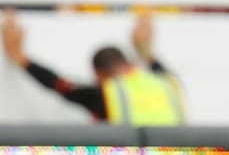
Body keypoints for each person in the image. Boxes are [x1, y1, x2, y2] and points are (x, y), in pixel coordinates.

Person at [1, 9, 185, 124]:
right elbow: (154, 63)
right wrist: (143, 48)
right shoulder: (167, 82)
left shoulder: (107, 92)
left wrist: (20, 57)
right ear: (127, 64)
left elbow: (60, 85)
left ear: (99, 74)